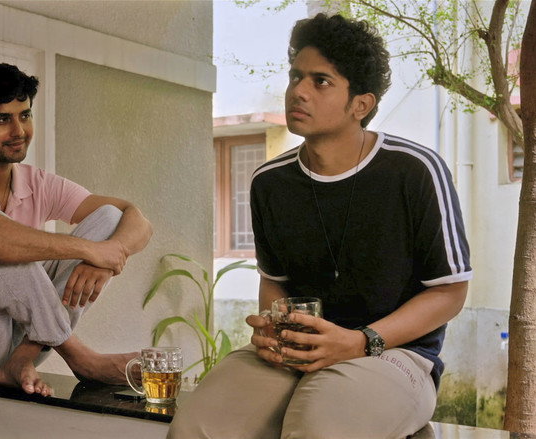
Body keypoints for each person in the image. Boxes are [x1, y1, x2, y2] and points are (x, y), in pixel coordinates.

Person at [168, 13, 471, 439]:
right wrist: (276, 328)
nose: (299, 91)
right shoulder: (270, 182)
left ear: (360, 104)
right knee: (195, 428)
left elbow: (450, 291)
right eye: (296, 76)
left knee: (318, 428)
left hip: (391, 353)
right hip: (296, 354)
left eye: (321, 81)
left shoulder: (415, 171)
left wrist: (360, 341)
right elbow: (275, 281)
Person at [0, 63, 152, 396]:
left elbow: (136, 220)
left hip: (19, 338)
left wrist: (108, 257)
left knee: (108, 218)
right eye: (2, 119)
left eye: (25, 115)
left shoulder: (37, 182)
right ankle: (80, 357)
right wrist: (87, 250)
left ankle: (21, 359)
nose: (19, 130)